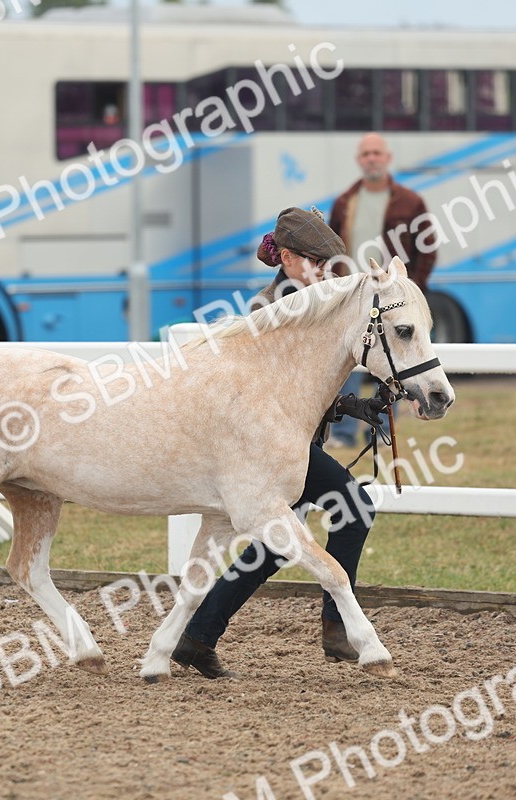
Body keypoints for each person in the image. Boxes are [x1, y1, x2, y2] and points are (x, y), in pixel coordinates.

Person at [172, 207, 390, 679]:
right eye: (316, 262)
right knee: (353, 509)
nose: (326, 271)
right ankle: (337, 627)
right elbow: (273, 395)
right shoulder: (266, 312)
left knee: (275, 546)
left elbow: (309, 386)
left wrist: (351, 405)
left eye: (330, 263)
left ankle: (198, 638)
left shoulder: (320, 304)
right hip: (268, 449)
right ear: (287, 259)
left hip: (293, 444)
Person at [328, 132, 436, 445]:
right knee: (348, 364)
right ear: (359, 160)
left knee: (393, 365)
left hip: (391, 300)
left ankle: (381, 430)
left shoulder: (410, 202)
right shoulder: (345, 202)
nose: (371, 158)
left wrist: (410, 291)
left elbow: (427, 249)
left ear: (387, 158)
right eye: (366, 154)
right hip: (352, 298)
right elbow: (331, 249)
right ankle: (344, 433)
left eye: (377, 153)